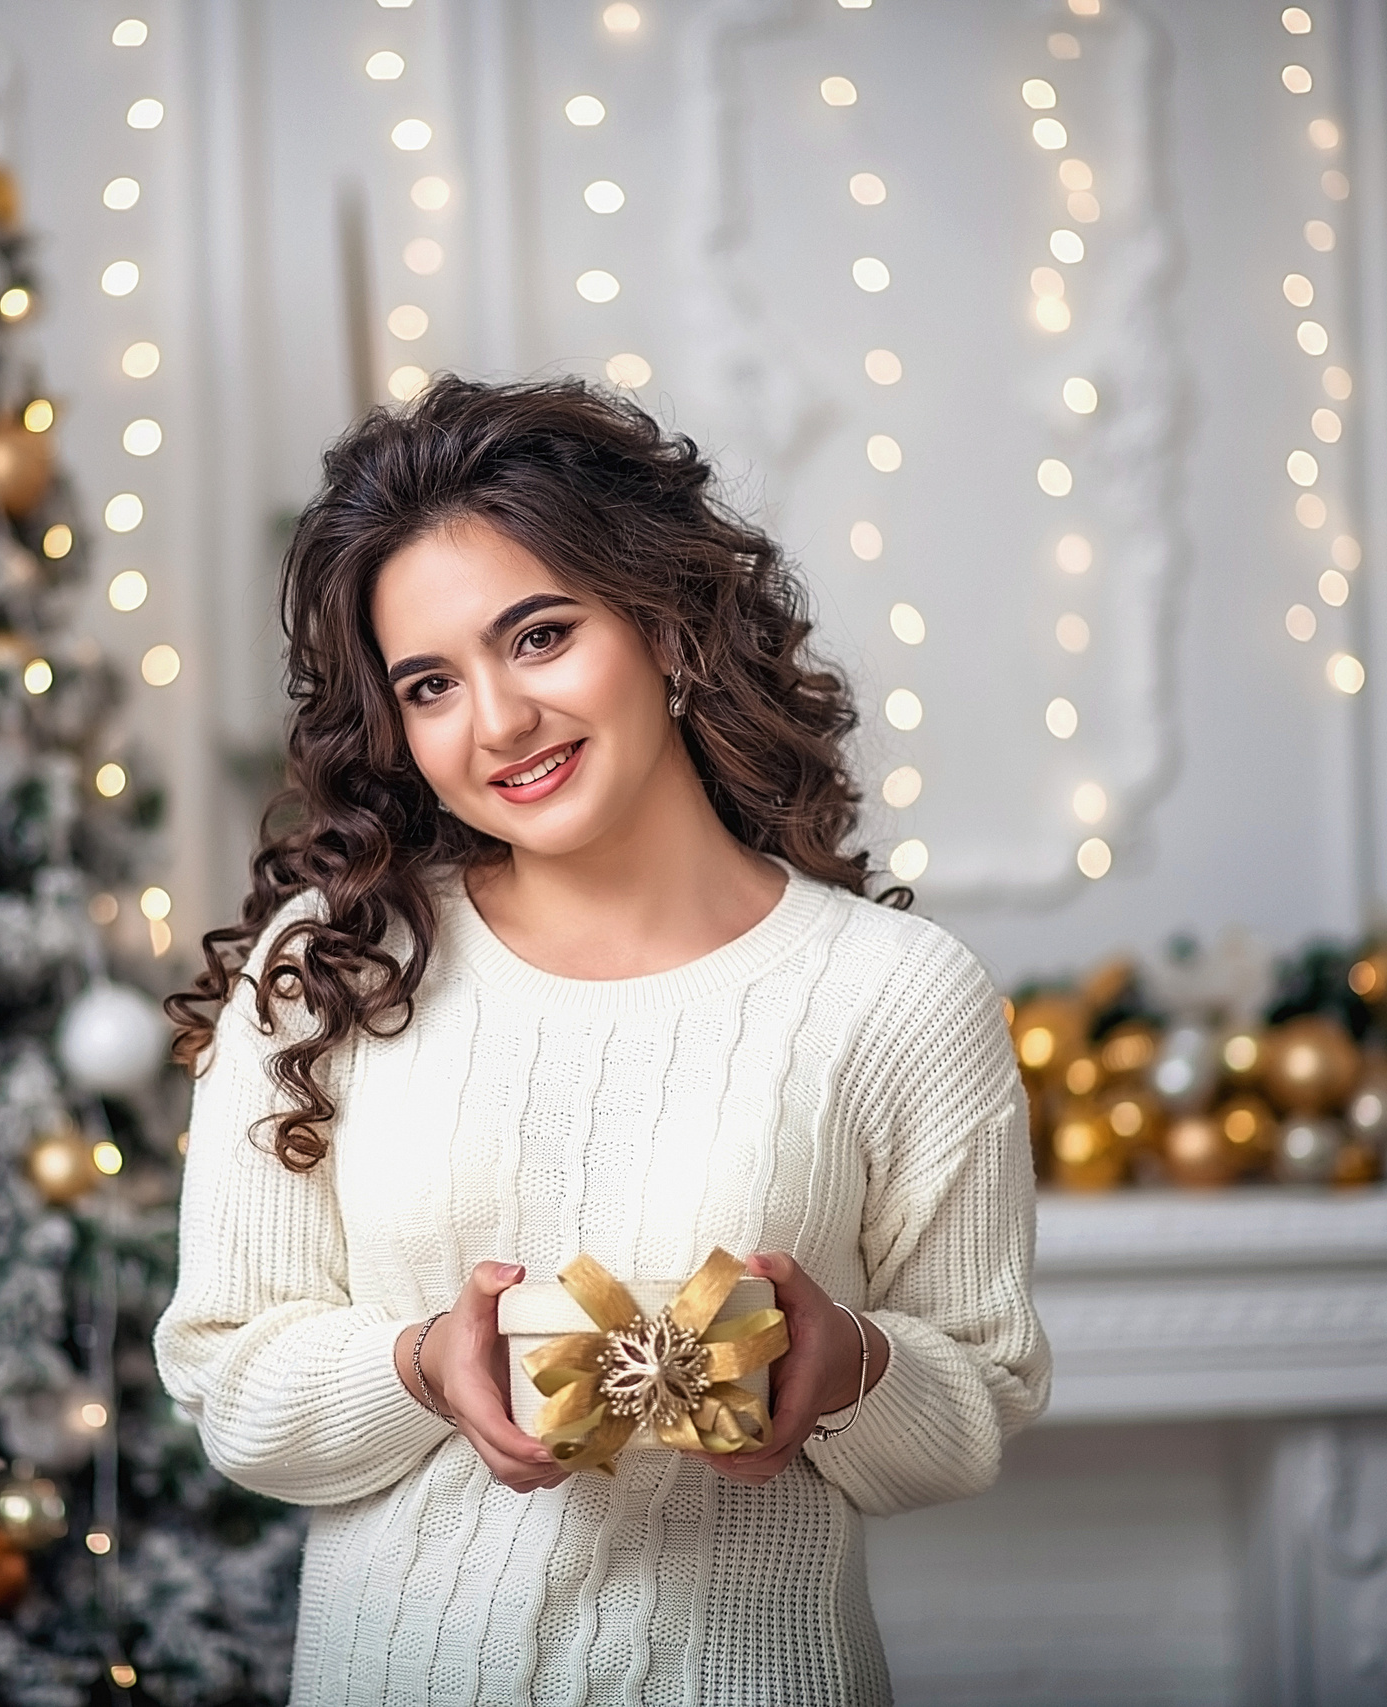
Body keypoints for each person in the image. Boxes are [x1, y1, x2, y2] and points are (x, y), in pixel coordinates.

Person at [155, 375, 1049, 1705]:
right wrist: (422, 1366)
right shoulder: (328, 971)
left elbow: (976, 1395)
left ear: (667, 626)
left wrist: (845, 1365)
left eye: (540, 636)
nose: (499, 724)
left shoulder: (895, 996)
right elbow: (227, 1375)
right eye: (430, 684)